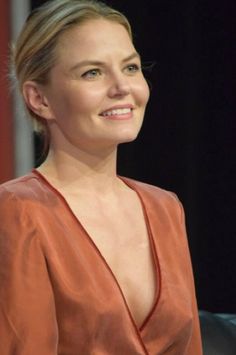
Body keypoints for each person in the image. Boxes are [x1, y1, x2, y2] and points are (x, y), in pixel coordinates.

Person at [0, 0, 202, 354]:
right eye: (92, 72)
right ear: (39, 98)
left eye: (130, 67)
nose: (122, 87)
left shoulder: (165, 208)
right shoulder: (17, 211)